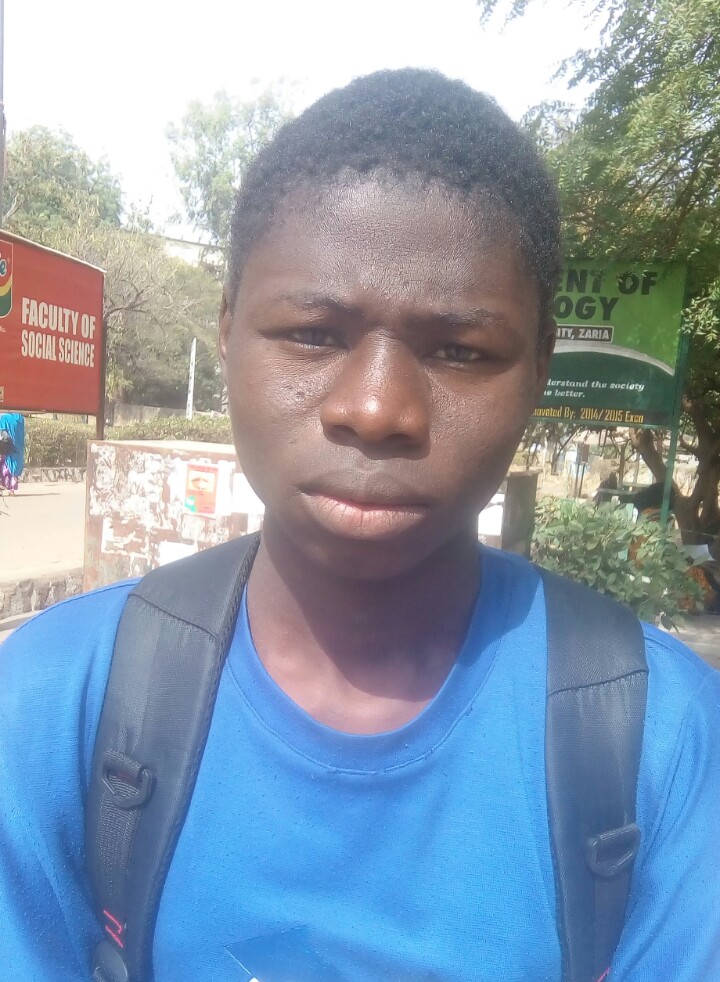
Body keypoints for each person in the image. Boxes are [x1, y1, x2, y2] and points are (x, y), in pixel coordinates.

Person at [1, 70, 719, 981]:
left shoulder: (659, 739)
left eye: (461, 350)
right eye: (312, 334)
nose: (377, 409)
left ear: (539, 367)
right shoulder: (54, 700)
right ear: (227, 331)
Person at [0, 411, 25, 492]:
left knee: (5, 467)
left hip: (7, 447)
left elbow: (3, 432)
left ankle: (3, 485)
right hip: (18, 447)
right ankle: (12, 489)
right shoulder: (20, 418)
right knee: (14, 468)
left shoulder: (4, 418)